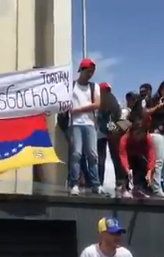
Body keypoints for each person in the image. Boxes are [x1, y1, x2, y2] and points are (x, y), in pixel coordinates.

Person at [68, 59, 103, 196]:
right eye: (88, 71)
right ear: (81, 70)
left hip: (89, 124)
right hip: (75, 124)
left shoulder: (95, 87)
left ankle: (96, 184)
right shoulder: (71, 86)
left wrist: (77, 110)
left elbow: (97, 104)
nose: (90, 75)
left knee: (92, 155)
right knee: (76, 154)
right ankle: (74, 184)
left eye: (92, 72)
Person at [96, 82, 123, 194]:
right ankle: (119, 182)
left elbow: (96, 117)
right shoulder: (114, 101)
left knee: (101, 158)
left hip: (101, 132)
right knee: (116, 158)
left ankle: (100, 183)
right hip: (113, 132)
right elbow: (119, 114)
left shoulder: (98, 100)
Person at [119, 116, 155, 198]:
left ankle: (140, 188)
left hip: (139, 155)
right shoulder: (124, 139)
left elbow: (152, 156)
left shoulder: (148, 138)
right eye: (137, 134)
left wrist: (150, 171)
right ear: (132, 132)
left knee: (142, 165)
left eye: (142, 134)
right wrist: (127, 169)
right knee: (125, 169)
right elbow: (123, 156)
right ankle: (124, 188)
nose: (139, 137)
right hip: (128, 156)